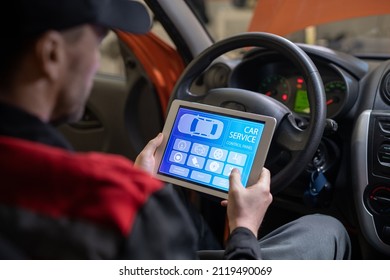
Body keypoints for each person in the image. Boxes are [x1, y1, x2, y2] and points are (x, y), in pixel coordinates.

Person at [0, 0, 351, 259]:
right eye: (98, 41)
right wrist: (244, 228)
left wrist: (146, 189)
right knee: (326, 230)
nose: (95, 62)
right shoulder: (118, 203)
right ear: (51, 55)